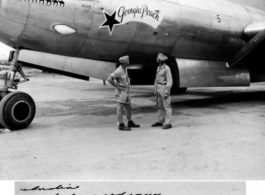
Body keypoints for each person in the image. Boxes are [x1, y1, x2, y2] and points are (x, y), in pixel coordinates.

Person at [107, 55, 140, 131]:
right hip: (121, 92)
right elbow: (109, 79)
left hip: (126, 91)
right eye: (128, 61)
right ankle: (121, 124)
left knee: (128, 107)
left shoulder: (125, 69)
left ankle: (129, 122)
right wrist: (117, 87)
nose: (129, 62)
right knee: (120, 108)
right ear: (125, 62)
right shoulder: (118, 71)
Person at [152, 53, 173, 129]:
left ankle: (168, 123)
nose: (156, 59)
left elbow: (169, 81)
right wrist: (155, 88)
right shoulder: (158, 67)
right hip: (158, 88)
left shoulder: (167, 68)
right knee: (159, 106)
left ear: (160, 60)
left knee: (167, 106)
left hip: (164, 88)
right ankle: (160, 121)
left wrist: (167, 91)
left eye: (157, 58)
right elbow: (156, 79)